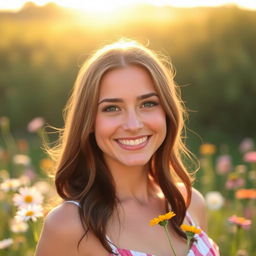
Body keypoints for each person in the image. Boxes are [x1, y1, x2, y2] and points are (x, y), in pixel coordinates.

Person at [35, 39, 219, 256]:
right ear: (89, 121)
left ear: (167, 112)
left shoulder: (188, 203)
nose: (133, 125)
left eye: (148, 104)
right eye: (112, 108)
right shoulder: (68, 225)